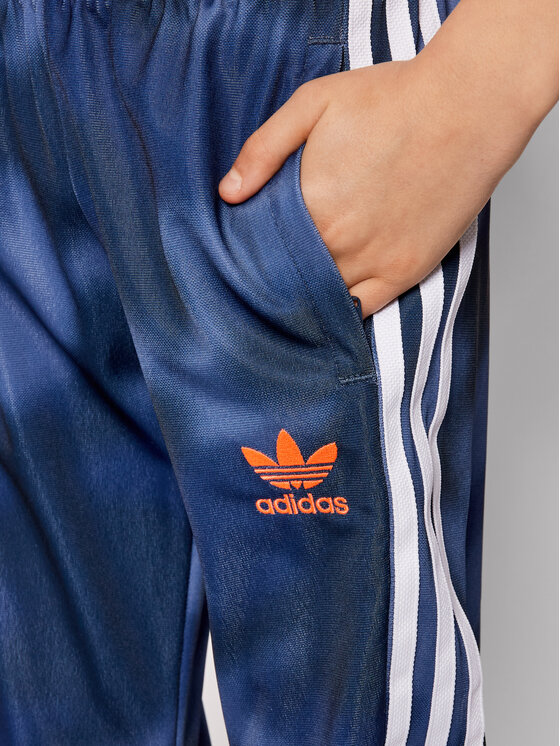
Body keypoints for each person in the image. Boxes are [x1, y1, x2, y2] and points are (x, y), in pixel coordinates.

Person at [0, 1, 556, 745]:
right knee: (49, 709)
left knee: (337, 714)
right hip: (22, 74)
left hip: (283, 65)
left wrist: (494, 66)